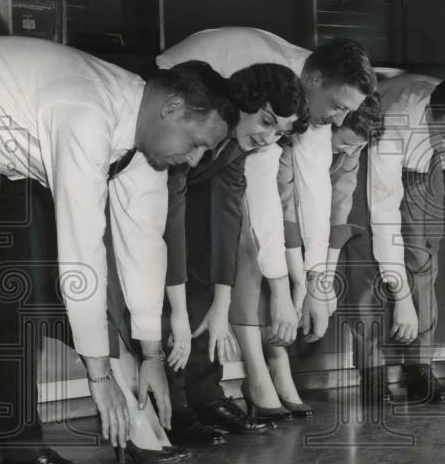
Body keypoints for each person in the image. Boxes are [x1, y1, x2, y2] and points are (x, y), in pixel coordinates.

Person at [0, 36, 232, 464]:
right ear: (172, 108)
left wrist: (151, 355)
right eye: (197, 143)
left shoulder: (143, 143)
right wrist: (100, 375)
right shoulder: (87, 111)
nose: (195, 160)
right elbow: (82, 246)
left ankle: (19, 452)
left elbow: (144, 246)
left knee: (13, 299)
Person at [156, 28, 377, 420]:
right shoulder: (267, 88)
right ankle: (177, 401)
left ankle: (203, 393)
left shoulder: (304, 105)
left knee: (214, 249)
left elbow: (315, 190)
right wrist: (280, 292)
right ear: (314, 82)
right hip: (168, 112)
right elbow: (263, 201)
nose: (343, 118)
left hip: (219, 152)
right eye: (340, 105)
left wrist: (317, 286)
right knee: (190, 254)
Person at [159, 63, 309, 443]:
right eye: (265, 120)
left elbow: (227, 223)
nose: (268, 137)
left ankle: (204, 395)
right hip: (148, 197)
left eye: (279, 131)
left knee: (209, 267)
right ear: (243, 102)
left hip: (187, 197)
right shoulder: (200, 119)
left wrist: (222, 305)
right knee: (167, 279)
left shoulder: (238, 147)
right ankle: (173, 405)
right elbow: (171, 215)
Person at [344, 75, 445, 405]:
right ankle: (372, 374)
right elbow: (383, 214)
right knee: (369, 261)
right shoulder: (395, 119)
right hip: (377, 158)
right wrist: (401, 297)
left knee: (424, 260)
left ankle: (419, 369)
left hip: (424, 168)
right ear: (430, 115)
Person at [231, 94, 386, 415]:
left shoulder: (349, 154)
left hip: (308, 234)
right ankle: (270, 368)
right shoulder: (290, 148)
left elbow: (337, 214)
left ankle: (277, 366)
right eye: (346, 145)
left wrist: (322, 281)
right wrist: (302, 284)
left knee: (297, 289)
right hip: (260, 215)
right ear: (332, 127)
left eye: (360, 148)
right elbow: (281, 214)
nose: (353, 154)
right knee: (264, 276)